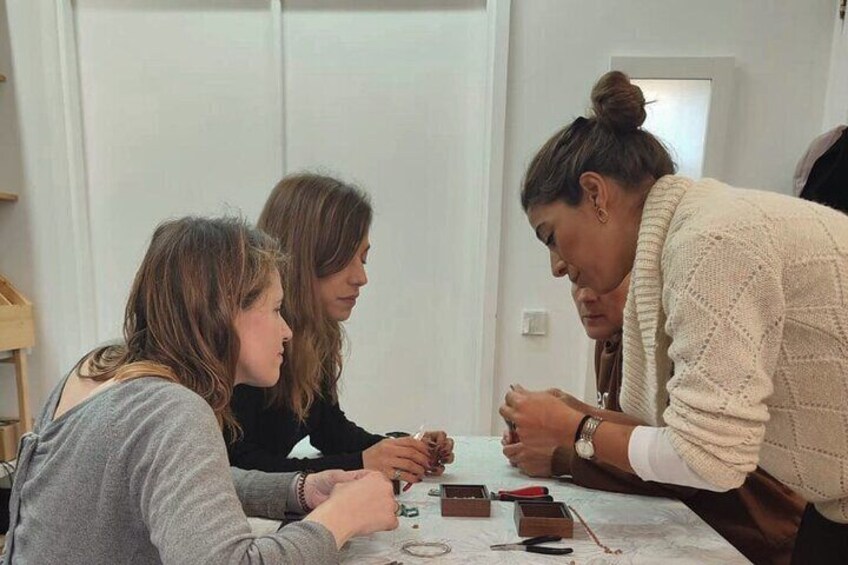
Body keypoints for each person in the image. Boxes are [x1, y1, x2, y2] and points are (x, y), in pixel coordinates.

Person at [499, 71, 848, 564]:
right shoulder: (688, 235)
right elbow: (679, 429)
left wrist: (577, 429)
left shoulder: (709, 241)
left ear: (595, 194)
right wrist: (579, 413)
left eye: (550, 235)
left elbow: (709, 458)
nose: (556, 266)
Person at [2, 217, 398, 564]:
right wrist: (339, 519)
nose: (287, 331)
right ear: (225, 311)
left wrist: (299, 488)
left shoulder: (98, 370)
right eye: (276, 309)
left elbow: (188, 488)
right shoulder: (171, 409)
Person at [503, 252, 805, 564]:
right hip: (697, 528)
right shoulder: (611, 340)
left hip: (752, 533)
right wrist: (565, 415)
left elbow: (675, 463)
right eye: (575, 280)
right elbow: (637, 431)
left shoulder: (674, 340)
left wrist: (563, 453)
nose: (586, 296)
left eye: (603, 279)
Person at [230, 174, 454, 486]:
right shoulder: (245, 343)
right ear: (306, 255)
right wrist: (362, 463)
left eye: (364, 259)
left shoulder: (313, 336)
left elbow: (330, 430)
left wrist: (401, 448)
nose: (361, 277)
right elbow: (237, 468)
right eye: (346, 259)